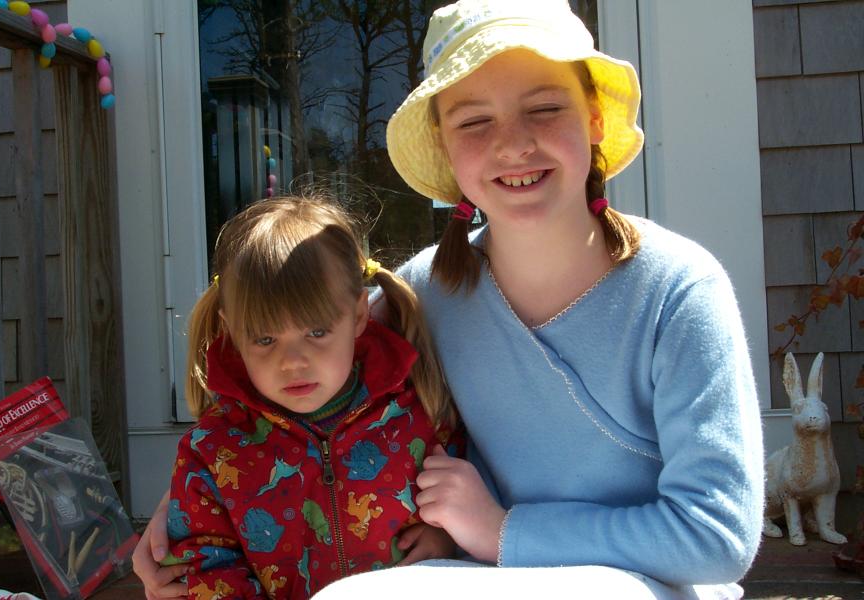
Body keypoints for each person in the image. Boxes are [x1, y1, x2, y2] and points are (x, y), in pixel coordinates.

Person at [136, 1, 764, 597]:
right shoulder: (424, 293)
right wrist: (189, 504)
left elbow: (716, 535)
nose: (513, 145)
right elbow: (298, 372)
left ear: (595, 117)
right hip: (486, 580)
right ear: (443, 143)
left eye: (545, 108)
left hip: (642, 585)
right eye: (474, 121)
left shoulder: (678, 291)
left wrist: (503, 531)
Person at [160, 197, 461, 599]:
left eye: (316, 333)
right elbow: (206, 561)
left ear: (358, 315)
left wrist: (446, 539)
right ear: (231, 331)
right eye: (265, 339)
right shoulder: (212, 451)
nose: (292, 362)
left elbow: (462, 496)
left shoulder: (420, 412)